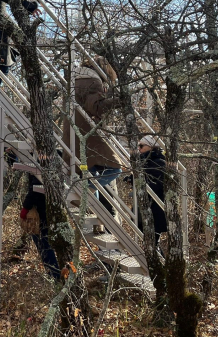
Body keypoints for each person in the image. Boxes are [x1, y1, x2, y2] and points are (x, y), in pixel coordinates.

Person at [62, 56, 122, 217]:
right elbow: (96, 107)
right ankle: (84, 193)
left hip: (73, 131)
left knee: (91, 173)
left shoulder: (75, 81)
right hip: (87, 133)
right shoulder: (93, 81)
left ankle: (92, 211)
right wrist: (119, 100)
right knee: (115, 168)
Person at [19, 173, 61, 280]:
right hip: (47, 208)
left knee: (43, 243)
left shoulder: (42, 161)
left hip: (42, 210)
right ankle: (54, 273)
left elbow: (35, 188)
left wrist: (26, 207)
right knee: (44, 243)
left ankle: (54, 275)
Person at [136, 135, 167, 250]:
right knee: (149, 242)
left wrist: (141, 185)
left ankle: (158, 264)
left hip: (155, 208)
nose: (139, 148)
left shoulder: (159, 162)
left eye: (141, 146)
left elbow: (159, 184)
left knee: (152, 242)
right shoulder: (145, 162)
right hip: (146, 206)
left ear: (151, 147)